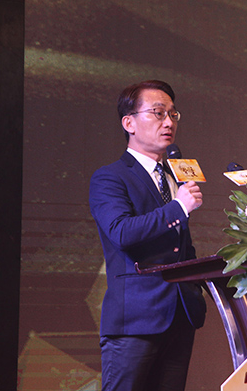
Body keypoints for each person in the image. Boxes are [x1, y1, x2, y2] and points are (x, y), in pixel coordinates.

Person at [89, 80, 207, 391]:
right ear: (129, 123)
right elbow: (121, 232)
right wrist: (179, 207)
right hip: (135, 319)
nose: (168, 122)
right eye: (158, 113)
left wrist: (198, 285)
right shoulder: (110, 177)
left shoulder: (172, 176)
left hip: (180, 314)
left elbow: (179, 246)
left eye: (173, 114)